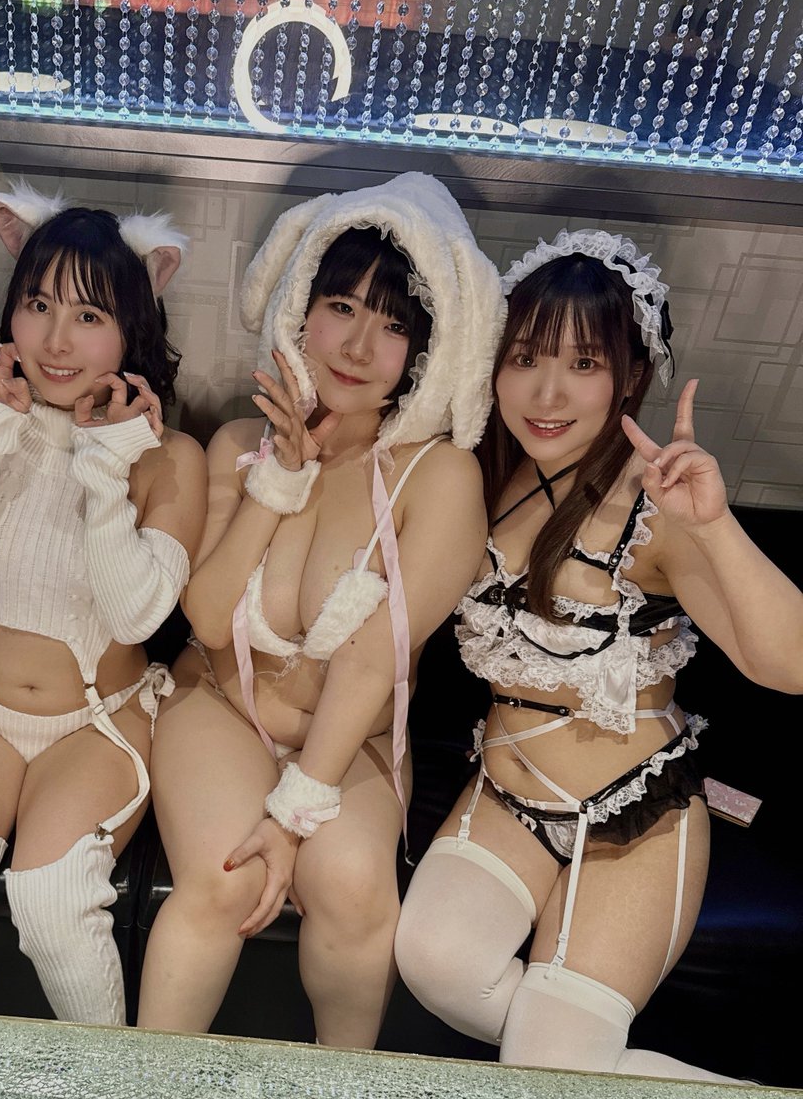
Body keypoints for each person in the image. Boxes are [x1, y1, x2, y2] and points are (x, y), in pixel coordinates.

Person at [394, 228, 803, 1081]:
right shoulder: (472, 475)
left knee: (548, 1064)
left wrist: (713, 527)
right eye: (526, 358)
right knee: (433, 966)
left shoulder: (657, 510)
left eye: (583, 364)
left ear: (631, 375)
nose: (547, 393)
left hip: (635, 813)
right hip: (504, 796)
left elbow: (787, 664)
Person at [136, 172, 505, 1047]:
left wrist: (293, 814)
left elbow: (374, 662)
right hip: (220, 706)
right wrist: (280, 477)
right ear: (301, 305)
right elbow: (208, 616)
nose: (359, 344)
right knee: (223, 878)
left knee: (355, 889)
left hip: (352, 737)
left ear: (425, 351)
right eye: (342, 306)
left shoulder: (441, 477)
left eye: (395, 325)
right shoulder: (238, 444)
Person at [0, 183, 207, 1025]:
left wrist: (106, 464)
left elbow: (134, 617)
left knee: (53, 906)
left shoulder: (172, 456)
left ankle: (107, 1083)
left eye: (89, 316)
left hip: (97, 722)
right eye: (38, 305)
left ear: (133, 325)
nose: (56, 340)